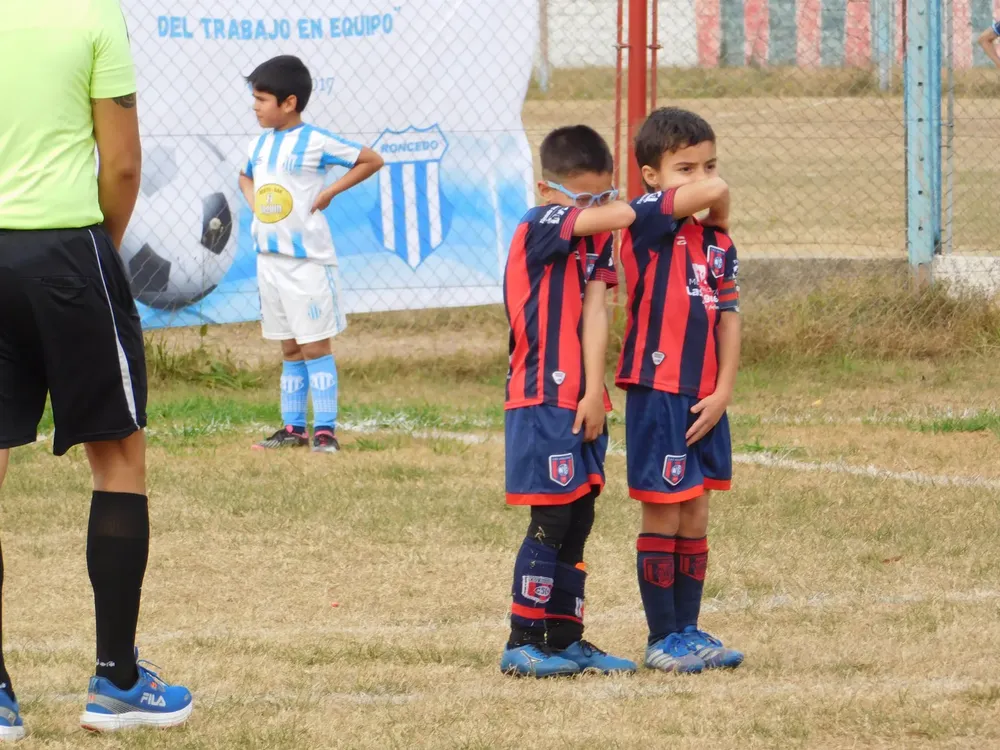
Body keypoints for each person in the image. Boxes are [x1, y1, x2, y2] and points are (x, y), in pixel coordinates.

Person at [0, 0, 193, 737]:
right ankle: (116, 680)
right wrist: (97, 253)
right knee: (118, 461)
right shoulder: (91, 13)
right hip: (64, 248)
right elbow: (121, 163)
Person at [499, 125, 637, 677]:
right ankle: (523, 639)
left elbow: (597, 314)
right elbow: (623, 215)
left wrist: (593, 391)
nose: (596, 208)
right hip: (538, 399)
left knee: (579, 517)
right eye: (583, 198)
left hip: (580, 400)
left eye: (602, 195)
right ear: (544, 189)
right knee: (550, 520)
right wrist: (616, 204)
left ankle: (565, 637)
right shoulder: (539, 224)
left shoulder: (596, 237)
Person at [616, 107, 744, 674]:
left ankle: (690, 631)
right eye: (684, 167)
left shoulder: (717, 243)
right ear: (650, 175)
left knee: (696, 512)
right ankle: (661, 637)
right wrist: (713, 187)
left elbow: (730, 318)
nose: (701, 177)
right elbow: (716, 194)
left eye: (709, 164)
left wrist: (723, 391)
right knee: (664, 512)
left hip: (704, 396)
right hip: (658, 389)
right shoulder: (643, 218)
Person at [240, 55, 384, 453]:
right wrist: (256, 205)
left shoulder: (316, 141)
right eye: (254, 98)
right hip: (269, 262)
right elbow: (245, 175)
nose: (255, 107)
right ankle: (292, 429)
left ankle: (325, 431)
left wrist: (330, 191)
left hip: (308, 265)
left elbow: (372, 159)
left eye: (262, 99)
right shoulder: (259, 144)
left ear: (289, 102)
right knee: (288, 347)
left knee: (314, 346)